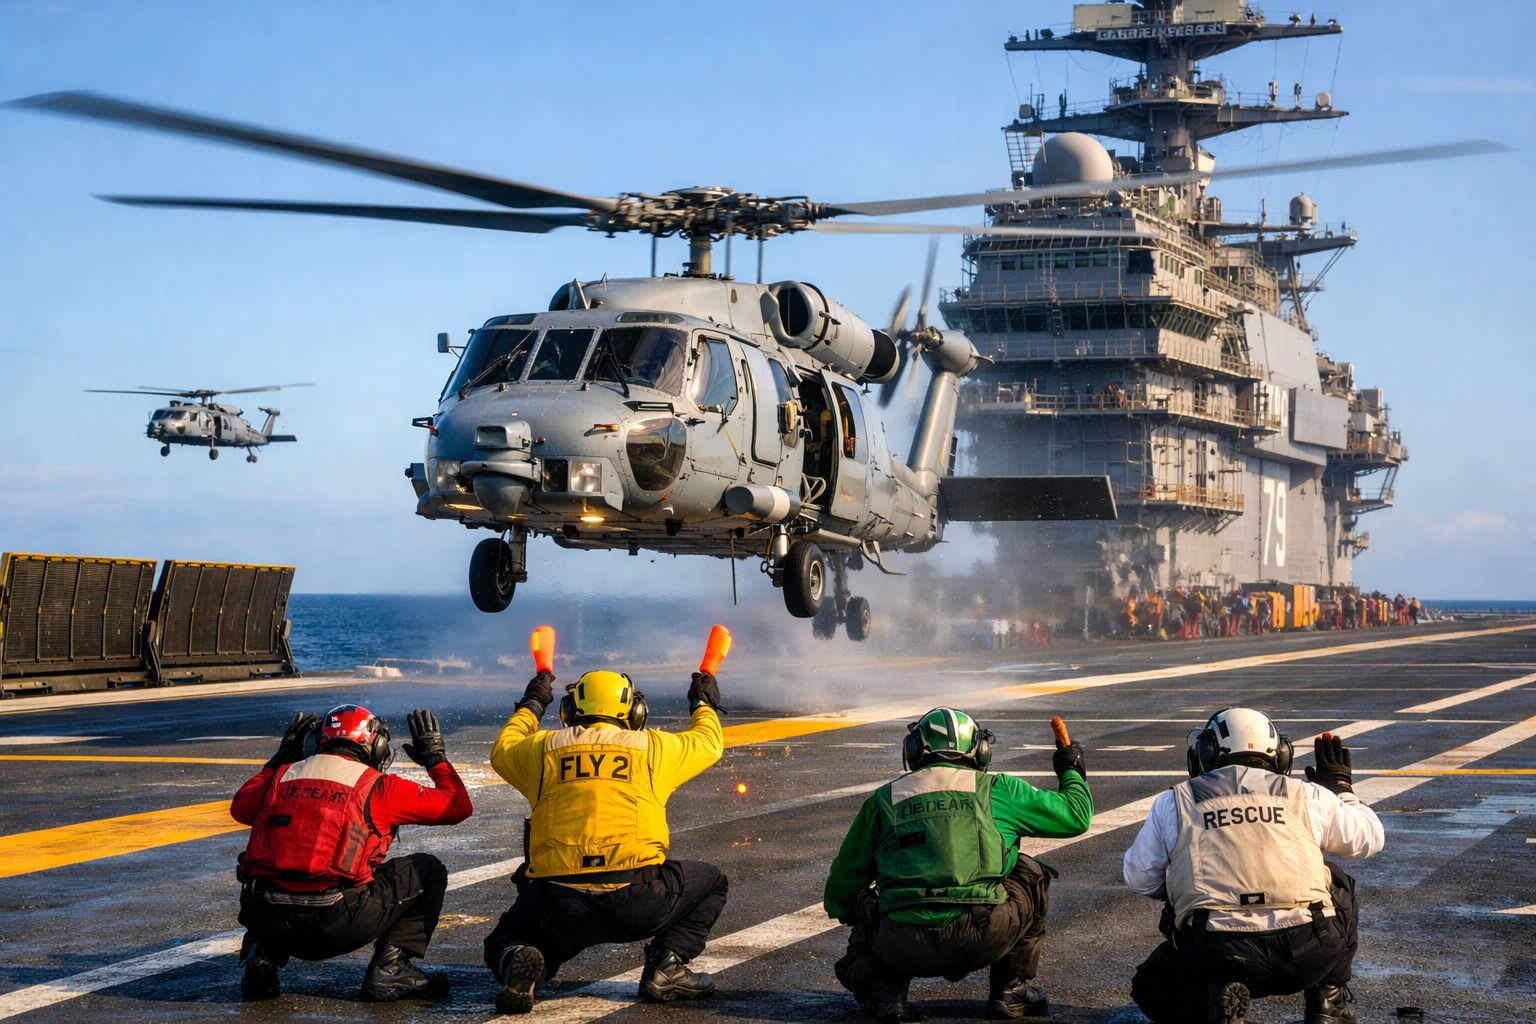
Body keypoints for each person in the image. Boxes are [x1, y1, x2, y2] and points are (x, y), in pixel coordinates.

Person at [483, 666, 728, 1014]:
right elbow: (708, 742)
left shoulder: (543, 749)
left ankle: (521, 959)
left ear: (569, 710)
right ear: (635, 711)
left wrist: (533, 703)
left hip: (559, 903)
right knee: (713, 883)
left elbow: (503, 748)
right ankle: (666, 967)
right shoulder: (653, 747)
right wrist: (702, 701)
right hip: (637, 901)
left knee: (504, 940)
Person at [824, 707, 1093, 1021]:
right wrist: (1070, 767)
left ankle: (884, 989)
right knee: (1030, 874)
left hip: (901, 944)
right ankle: (1011, 989)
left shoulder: (883, 800)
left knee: (863, 903)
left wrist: (865, 922)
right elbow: (1076, 816)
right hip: (984, 936)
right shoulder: (999, 790)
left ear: (912, 751)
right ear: (981, 752)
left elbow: (839, 893)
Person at [1123, 708, 1384, 1024]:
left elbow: (1139, 878)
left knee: (1151, 985)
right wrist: (1340, 788)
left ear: (1205, 752)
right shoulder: (1306, 795)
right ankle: (1326, 1005)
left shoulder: (1175, 802)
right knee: (1337, 882)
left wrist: (1184, 885)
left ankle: (1213, 1000)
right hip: (1306, 952)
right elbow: (1370, 838)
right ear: (1281, 754)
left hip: (1215, 952)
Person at [231, 705, 473, 1002]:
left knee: (272, 872)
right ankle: (390, 968)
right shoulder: (378, 786)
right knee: (429, 870)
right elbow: (457, 805)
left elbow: (240, 807)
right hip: (336, 925)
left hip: (267, 919)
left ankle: (262, 954)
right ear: (377, 745)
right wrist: (435, 757)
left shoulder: (281, 775)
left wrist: (279, 760)